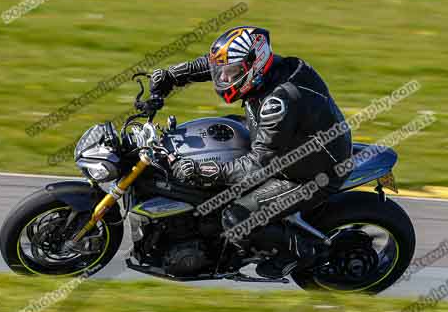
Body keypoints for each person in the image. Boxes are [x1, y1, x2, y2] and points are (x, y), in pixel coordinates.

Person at [150, 26, 353, 278]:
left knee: (236, 219)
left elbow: (258, 166)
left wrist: (204, 171)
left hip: (307, 173)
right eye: (222, 73)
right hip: (287, 141)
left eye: (232, 73)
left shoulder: (277, 103)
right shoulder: (266, 71)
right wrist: (171, 76)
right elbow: (213, 64)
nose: (223, 79)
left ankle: (300, 251)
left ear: (253, 66)